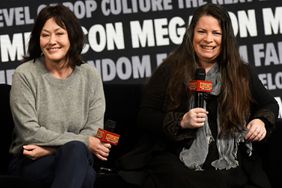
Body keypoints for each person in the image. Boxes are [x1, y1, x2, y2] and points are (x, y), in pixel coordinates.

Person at [117, 3, 279, 188]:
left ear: (225, 38)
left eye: (216, 33)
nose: (208, 39)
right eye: (202, 31)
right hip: (176, 153)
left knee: (223, 179)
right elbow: (145, 116)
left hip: (225, 157)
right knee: (178, 177)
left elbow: (270, 104)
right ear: (192, 34)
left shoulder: (241, 72)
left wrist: (261, 121)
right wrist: (181, 121)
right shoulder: (170, 70)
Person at [8, 4, 111, 188]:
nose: (51, 41)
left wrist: (48, 149)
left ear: (72, 35)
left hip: (63, 153)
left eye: (59, 33)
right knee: (84, 173)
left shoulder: (90, 75)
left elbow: (94, 130)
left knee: (76, 153)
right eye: (45, 35)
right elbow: (30, 133)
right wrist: (84, 142)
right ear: (38, 39)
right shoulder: (24, 74)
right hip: (31, 161)